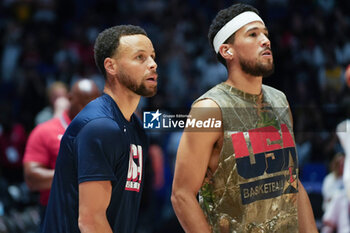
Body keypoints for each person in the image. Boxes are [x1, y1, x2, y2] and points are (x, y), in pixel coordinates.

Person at [171, 3, 318, 233]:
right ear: (227, 50)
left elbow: (292, 182)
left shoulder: (280, 100)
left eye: (265, 34)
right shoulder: (209, 108)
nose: (265, 40)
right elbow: (181, 195)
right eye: (253, 34)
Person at [42, 25, 158, 233]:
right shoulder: (100, 127)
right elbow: (90, 222)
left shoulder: (136, 128)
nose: (152, 64)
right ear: (111, 66)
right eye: (140, 57)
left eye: (152, 56)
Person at [22, 78, 101, 227]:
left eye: (94, 104)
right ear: (70, 98)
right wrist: (77, 174)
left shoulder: (104, 130)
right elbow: (31, 178)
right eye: (83, 103)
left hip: (96, 215)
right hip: (57, 213)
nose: (88, 110)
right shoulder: (45, 131)